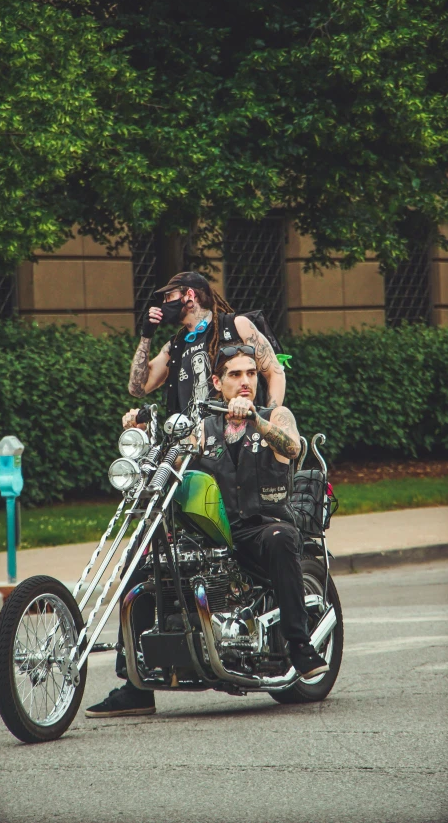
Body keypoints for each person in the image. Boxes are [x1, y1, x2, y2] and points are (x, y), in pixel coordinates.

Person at [85, 347, 328, 718]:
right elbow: (173, 462)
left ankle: (300, 645)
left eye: (250, 373)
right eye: (234, 375)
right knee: (144, 560)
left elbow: (292, 447)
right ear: (217, 383)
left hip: (263, 527)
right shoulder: (203, 428)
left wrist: (257, 422)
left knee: (281, 539)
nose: (245, 381)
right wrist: (143, 432)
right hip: (217, 532)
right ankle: (136, 684)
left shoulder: (275, 415)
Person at [126, 271, 286, 417]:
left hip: (234, 439)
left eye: (169, 296)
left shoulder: (236, 326)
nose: (165, 303)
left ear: (189, 295)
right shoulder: (175, 345)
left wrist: (269, 420)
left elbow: (275, 373)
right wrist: (146, 336)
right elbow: (138, 388)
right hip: (191, 444)